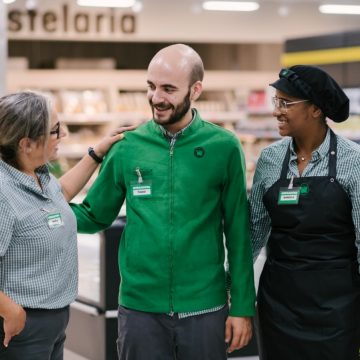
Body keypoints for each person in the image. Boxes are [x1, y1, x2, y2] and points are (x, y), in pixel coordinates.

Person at [70, 43, 256, 360]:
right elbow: (94, 214)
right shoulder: (127, 146)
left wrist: (241, 306)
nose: (157, 98)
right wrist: (41, 214)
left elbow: (238, 232)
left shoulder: (223, 147)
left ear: (195, 90)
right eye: (151, 86)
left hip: (205, 308)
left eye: (169, 89)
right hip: (140, 310)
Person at [0, 90, 131, 359]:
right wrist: (10, 311)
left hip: (54, 319)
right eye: (55, 130)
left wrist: (96, 153)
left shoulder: (37, 174)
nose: (64, 135)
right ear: (26, 144)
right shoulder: (3, 193)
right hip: (21, 323)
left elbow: (61, 193)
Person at [249, 65, 360, 360]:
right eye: (277, 101)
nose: (276, 111)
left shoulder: (353, 161)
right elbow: (252, 234)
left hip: (337, 310)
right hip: (279, 308)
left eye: (286, 103)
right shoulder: (270, 160)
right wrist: (231, 290)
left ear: (315, 109)